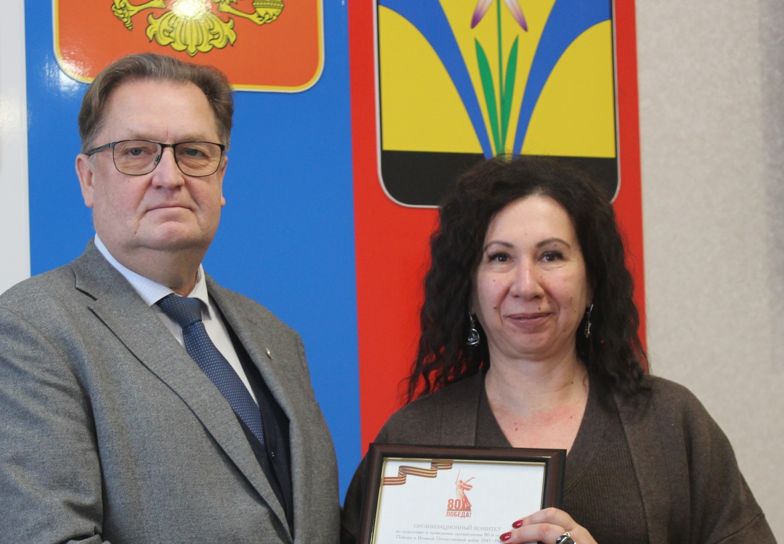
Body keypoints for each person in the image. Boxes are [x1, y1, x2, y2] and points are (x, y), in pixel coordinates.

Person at [341, 156, 774, 543]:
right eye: (500, 257)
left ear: (592, 281)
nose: (526, 286)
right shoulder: (413, 439)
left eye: (550, 256)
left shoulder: (669, 424)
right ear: (469, 290)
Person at [0, 53, 339, 543]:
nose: (170, 177)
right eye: (137, 152)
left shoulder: (277, 338)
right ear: (88, 178)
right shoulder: (31, 330)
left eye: (194, 152)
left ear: (221, 177)